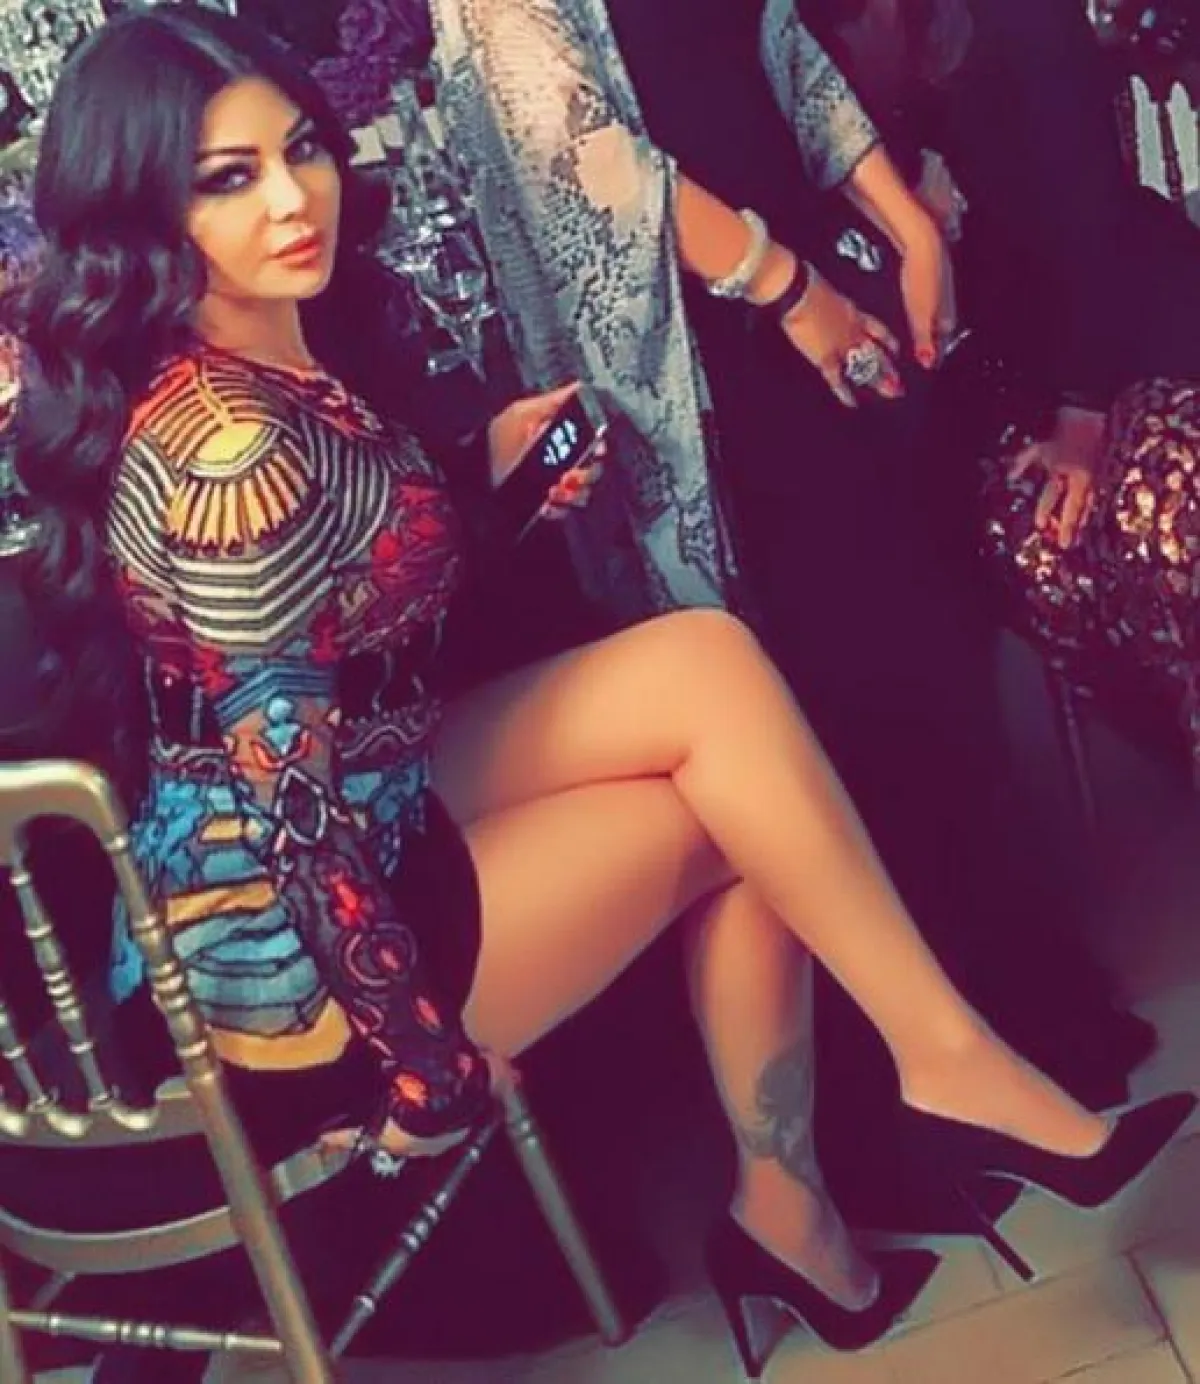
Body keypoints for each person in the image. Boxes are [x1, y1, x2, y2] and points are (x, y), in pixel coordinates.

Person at [9, 6, 1192, 1378]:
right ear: (141, 216)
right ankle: (862, 1144)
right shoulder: (229, 452)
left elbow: (348, 623)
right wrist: (422, 1071)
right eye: (229, 178)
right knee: (738, 805)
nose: (292, 199)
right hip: (290, 964)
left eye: (301, 150)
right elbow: (292, 816)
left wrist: (485, 491)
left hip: (359, 796)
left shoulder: (256, 344)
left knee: (709, 670)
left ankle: (884, 1121)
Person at [431, 0, 1156, 1229]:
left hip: (811, 292)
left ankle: (998, 1032)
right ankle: (884, 1126)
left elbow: (775, 40)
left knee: (924, 652)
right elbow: (584, 156)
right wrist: (786, 286)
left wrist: (900, 216)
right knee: (824, 696)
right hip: (705, 347)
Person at [804, 0, 1200, 781]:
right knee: (1100, 543)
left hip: (1123, 332)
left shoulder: (1016, 18)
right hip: (975, 392)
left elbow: (1091, 213)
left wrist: (1084, 413)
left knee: (1177, 504)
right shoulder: (784, 44)